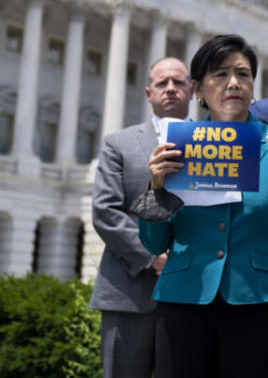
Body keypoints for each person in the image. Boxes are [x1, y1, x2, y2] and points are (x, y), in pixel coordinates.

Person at [134, 34, 268, 378]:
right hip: (183, 302)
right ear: (197, 89)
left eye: (244, 74)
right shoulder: (176, 149)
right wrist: (157, 187)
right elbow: (153, 243)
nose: (233, 84)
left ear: (254, 85)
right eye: (220, 75)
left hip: (256, 305)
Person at [89, 57, 191, 378]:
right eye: (162, 83)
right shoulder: (118, 144)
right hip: (128, 295)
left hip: (191, 299)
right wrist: (153, 258)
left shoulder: (215, 145)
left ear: (193, 91)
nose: (171, 89)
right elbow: (105, 211)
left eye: (179, 83)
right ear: (149, 93)